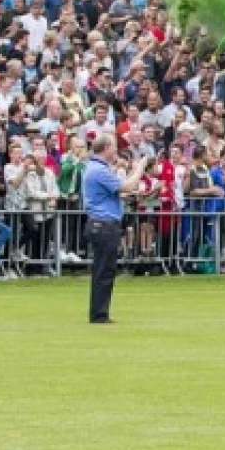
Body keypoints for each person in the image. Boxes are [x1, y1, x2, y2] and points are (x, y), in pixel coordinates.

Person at [81, 135, 150, 324]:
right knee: (105, 271)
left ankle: (99, 312)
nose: (116, 152)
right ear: (106, 148)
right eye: (113, 148)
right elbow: (127, 185)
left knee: (102, 270)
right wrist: (139, 168)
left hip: (99, 223)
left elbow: (117, 192)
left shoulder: (95, 168)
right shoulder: (99, 170)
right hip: (103, 224)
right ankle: (99, 314)